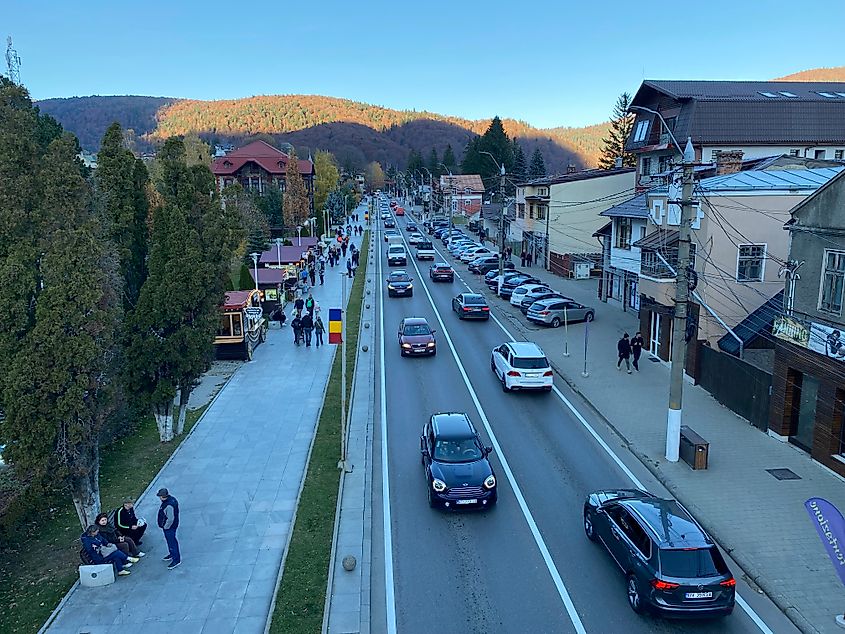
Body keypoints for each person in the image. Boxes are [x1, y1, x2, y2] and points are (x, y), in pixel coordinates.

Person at [156, 488, 181, 569]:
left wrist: (165, 526)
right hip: (172, 525)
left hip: (170, 527)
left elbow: (170, 519)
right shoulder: (171, 500)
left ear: (162, 496)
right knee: (170, 541)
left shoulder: (168, 505)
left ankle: (176, 559)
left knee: (172, 542)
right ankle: (172, 554)